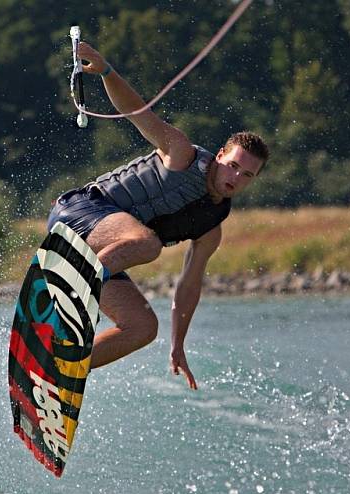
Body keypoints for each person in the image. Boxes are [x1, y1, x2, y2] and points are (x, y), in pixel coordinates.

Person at [47, 41, 269, 391]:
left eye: (247, 176)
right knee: (147, 243)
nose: (235, 178)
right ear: (222, 154)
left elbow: (189, 285)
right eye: (233, 166)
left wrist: (178, 344)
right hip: (80, 212)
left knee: (142, 328)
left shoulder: (212, 227)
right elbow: (137, 112)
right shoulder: (181, 153)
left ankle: (59, 370)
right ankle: (67, 299)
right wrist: (106, 71)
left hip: (104, 255)